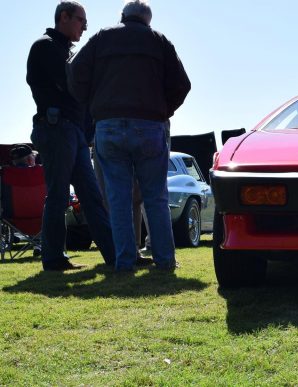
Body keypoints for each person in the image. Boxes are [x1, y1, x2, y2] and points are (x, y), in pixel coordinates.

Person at [68, 0, 191, 272]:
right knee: (155, 196)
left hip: (109, 124)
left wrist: (94, 105)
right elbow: (183, 84)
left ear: (122, 16)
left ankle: (125, 262)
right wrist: (162, 110)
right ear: (148, 20)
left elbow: (75, 72)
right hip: (150, 125)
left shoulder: (102, 37)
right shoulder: (159, 41)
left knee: (118, 197)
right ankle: (165, 260)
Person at [26, 1, 116, 271]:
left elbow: (81, 91)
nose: (85, 27)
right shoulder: (45, 46)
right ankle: (53, 258)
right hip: (56, 128)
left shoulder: (64, 50)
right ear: (63, 17)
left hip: (72, 131)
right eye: (80, 20)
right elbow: (73, 84)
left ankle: (116, 256)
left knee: (91, 195)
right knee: (58, 195)